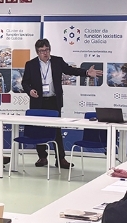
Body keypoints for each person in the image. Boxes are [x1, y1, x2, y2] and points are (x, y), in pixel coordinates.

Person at [20, 38, 102, 169]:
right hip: (38, 101)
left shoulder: (57, 61)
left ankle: (61, 159)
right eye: (42, 51)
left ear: (50, 49)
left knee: (57, 130)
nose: (45, 53)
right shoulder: (31, 64)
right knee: (38, 129)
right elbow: (25, 82)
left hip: (53, 101)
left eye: (47, 49)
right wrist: (30, 91)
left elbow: (70, 70)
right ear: (37, 52)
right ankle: (42, 157)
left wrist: (86, 72)